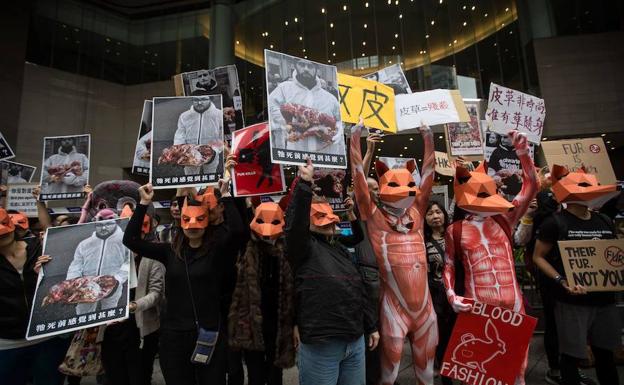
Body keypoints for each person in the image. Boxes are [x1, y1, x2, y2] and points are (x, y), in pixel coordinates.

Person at [122, 155, 243, 385]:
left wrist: (226, 195)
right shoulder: (169, 251)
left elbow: (238, 233)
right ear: (181, 222)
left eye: (199, 220)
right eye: (187, 220)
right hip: (174, 336)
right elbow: (131, 240)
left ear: (207, 221)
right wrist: (143, 204)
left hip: (210, 334)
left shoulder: (217, 251)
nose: (193, 226)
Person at [443, 130, 537, 385]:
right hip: (477, 307)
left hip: (513, 304)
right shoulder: (456, 230)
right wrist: (452, 296)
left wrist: (523, 154)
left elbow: (532, 186)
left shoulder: (506, 220)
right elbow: (449, 266)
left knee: (517, 372)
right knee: (478, 375)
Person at [350, 119, 437, 385]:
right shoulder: (373, 215)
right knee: (389, 373)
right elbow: (358, 180)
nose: (405, 190)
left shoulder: (418, 213)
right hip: (393, 307)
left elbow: (429, 174)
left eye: (409, 183)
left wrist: (429, 138)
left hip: (425, 308)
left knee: (427, 371)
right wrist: (355, 137)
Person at [285, 159, 379, 385]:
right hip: (321, 343)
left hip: (354, 340)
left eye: (329, 216)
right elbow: (295, 226)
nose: (327, 221)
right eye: (319, 216)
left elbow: (358, 289)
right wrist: (304, 184)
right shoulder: (303, 248)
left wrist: (371, 326)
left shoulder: (340, 250)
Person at [532, 165, 620, 385]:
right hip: (572, 300)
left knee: (605, 354)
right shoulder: (554, 223)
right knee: (571, 355)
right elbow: (538, 256)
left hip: (605, 300)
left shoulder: (605, 221)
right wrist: (561, 281)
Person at [228, 201, 295, 385]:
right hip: (251, 326)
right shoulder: (245, 247)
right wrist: (230, 196)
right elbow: (236, 228)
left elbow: (293, 294)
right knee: (255, 376)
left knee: (275, 377)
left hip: (278, 326)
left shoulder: (287, 251)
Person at [0, 208, 68, 385]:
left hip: (46, 336)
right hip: (7, 342)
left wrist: (47, 275)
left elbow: (65, 286)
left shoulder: (38, 249)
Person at [267, 58, 343, 154]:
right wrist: (289, 123)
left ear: (316, 69)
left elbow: (340, 120)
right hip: (295, 156)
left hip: (323, 156)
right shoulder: (283, 89)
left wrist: (339, 129)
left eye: (310, 66)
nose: (306, 69)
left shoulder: (330, 98)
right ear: (295, 65)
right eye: (302, 65)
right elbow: (272, 107)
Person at [66, 209, 131, 315]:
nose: (104, 228)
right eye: (100, 225)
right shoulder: (85, 244)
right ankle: (82, 331)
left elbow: (128, 262)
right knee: (83, 315)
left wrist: (118, 279)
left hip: (112, 286)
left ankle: (107, 331)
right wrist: (73, 283)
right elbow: (76, 265)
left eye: (109, 224)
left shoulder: (125, 240)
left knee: (109, 314)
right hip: (86, 287)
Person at [423, 201, 454, 385]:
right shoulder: (422, 242)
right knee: (441, 338)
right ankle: (446, 377)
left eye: (438, 212)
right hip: (436, 297)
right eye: (430, 213)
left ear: (444, 214)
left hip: (457, 295)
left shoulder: (454, 236)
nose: (435, 216)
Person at [173, 97, 223, 176]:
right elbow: (180, 135)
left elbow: (221, 136)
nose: (199, 102)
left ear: (210, 99)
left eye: (203, 99)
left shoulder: (219, 115)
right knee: (191, 179)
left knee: (210, 177)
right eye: (196, 100)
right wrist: (180, 151)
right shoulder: (184, 116)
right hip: (190, 154)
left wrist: (214, 151)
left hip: (211, 154)